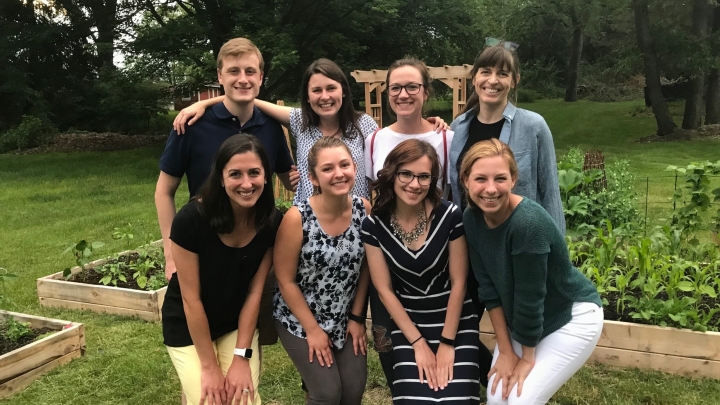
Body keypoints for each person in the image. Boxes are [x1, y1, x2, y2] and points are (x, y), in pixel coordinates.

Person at [173, 58, 448, 205]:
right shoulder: (299, 123)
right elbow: (248, 97)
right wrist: (206, 101)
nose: (324, 96)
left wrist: (435, 125)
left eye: (331, 88)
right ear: (307, 95)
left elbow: (396, 153)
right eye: (316, 90)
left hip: (355, 223)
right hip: (308, 225)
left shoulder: (364, 126)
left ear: (343, 90)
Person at [460, 139, 603, 405]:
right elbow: (489, 289)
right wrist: (504, 350)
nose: (490, 189)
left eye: (500, 178)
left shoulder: (527, 224)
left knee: (519, 401)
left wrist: (526, 358)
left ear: (513, 179)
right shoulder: (471, 218)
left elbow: (530, 296)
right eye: (480, 178)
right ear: (466, 179)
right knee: (496, 398)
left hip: (569, 316)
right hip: (526, 322)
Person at [156, 37, 298, 282]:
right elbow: (164, 191)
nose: (243, 79)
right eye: (234, 71)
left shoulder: (272, 128)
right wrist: (171, 253)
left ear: (261, 77)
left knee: (258, 317)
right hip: (203, 246)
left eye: (250, 71)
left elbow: (290, 181)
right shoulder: (191, 125)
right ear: (220, 76)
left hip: (259, 250)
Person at [162, 134, 282, 405]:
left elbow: (254, 292)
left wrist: (241, 357)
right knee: (210, 400)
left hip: (234, 324)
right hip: (187, 324)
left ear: (266, 176)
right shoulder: (190, 221)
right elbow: (190, 299)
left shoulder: (271, 222)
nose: (246, 183)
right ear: (221, 177)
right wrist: (209, 367)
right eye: (235, 174)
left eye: (254, 173)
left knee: (244, 400)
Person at [361, 139, 481, 405]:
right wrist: (418, 344)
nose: (415, 184)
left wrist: (447, 343)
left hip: (454, 318)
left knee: (456, 400)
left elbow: (459, 282)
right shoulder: (373, 226)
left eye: (424, 176)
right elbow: (383, 289)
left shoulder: (450, 215)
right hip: (409, 321)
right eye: (406, 174)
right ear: (392, 174)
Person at [273, 137, 371, 405]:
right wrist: (313, 330)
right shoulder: (297, 218)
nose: (338, 174)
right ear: (313, 178)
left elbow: (366, 269)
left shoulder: (364, 210)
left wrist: (357, 317)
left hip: (344, 317)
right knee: (327, 394)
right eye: (328, 169)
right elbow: (285, 279)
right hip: (299, 319)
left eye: (344, 165)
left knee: (352, 392)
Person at [448, 39, 565, 232]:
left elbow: (550, 194)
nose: (492, 80)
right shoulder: (457, 128)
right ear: (474, 78)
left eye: (502, 73)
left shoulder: (534, 127)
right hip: (469, 243)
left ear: (513, 81)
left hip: (520, 241)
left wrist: (557, 254)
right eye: (485, 72)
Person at [365, 58, 454, 196]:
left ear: (426, 93)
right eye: (395, 88)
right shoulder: (374, 140)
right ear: (388, 93)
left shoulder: (446, 138)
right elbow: (372, 194)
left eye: (412, 87)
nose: (403, 95)